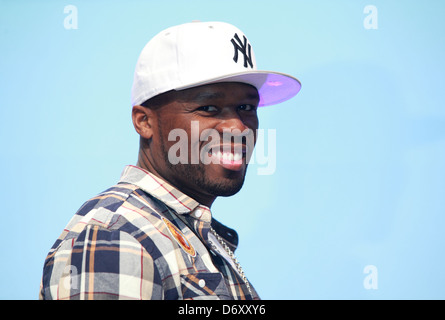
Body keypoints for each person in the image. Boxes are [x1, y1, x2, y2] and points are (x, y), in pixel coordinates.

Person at [39, 21, 301, 300]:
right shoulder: (118, 237)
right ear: (144, 121)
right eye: (208, 108)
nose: (238, 128)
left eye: (246, 107)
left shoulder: (183, 231)